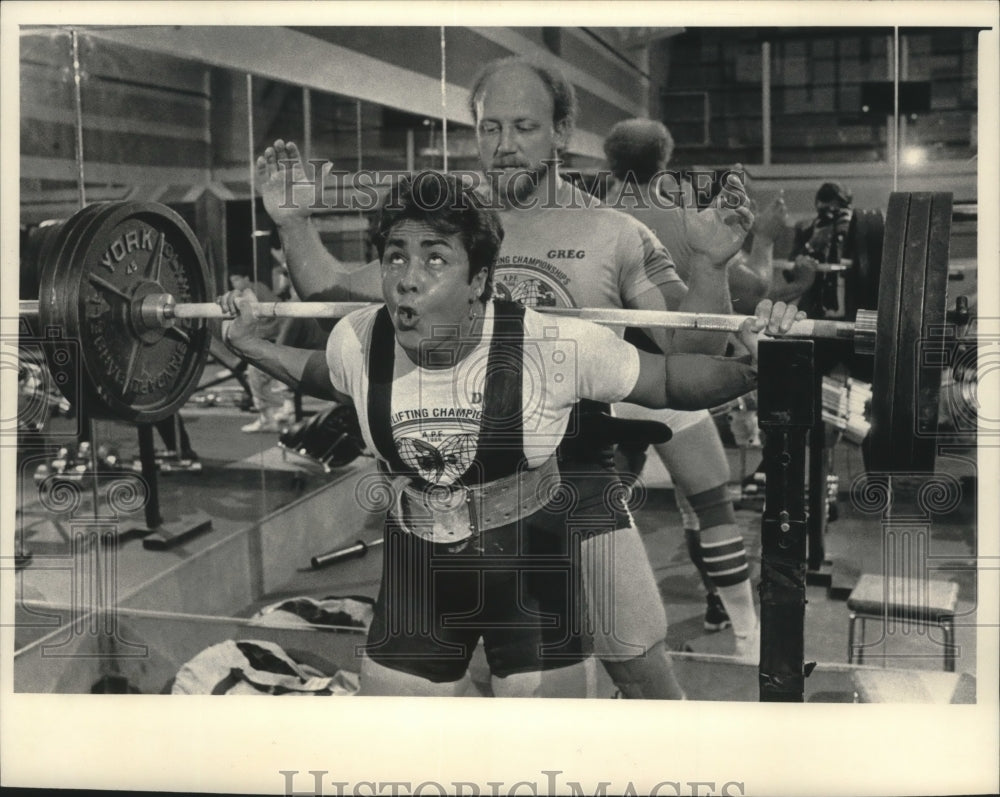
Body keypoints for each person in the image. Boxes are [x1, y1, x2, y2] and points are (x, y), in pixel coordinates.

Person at [254, 57, 757, 697]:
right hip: (454, 480)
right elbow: (331, 291)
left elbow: (689, 343)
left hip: (573, 476)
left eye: (523, 126)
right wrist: (294, 223)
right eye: (490, 127)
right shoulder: (447, 226)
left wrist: (712, 266)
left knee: (632, 652)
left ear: (561, 133)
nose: (504, 146)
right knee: (452, 683)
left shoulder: (614, 234)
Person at [601, 118, 789, 646]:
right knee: (709, 506)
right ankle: (748, 637)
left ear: (609, 162)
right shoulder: (686, 220)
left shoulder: (589, 220)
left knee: (597, 515)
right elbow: (752, 292)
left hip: (603, 388)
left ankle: (613, 636)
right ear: (666, 157)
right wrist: (767, 240)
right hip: (670, 383)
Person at [228, 272, 296, 432]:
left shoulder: (259, 288)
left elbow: (276, 310)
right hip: (264, 340)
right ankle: (271, 415)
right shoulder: (242, 295)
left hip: (277, 339)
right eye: (233, 281)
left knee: (271, 369)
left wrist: (278, 335)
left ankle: (284, 409)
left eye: (237, 278)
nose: (235, 284)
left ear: (247, 277)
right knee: (254, 372)